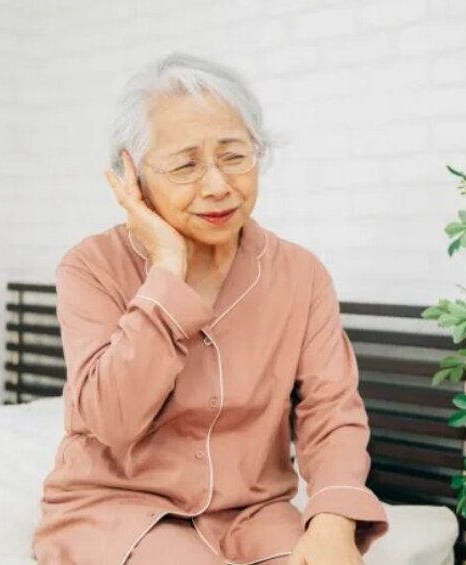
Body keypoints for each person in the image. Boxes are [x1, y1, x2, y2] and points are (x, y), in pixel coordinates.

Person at [33, 53, 387, 565]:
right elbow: (112, 421)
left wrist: (333, 520)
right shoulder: (90, 267)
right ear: (133, 177)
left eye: (234, 156)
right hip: (118, 510)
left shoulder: (301, 274)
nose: (219, 185)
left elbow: (331, 413)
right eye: (186, 165)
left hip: (253, 514)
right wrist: (167, 271)